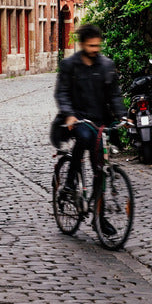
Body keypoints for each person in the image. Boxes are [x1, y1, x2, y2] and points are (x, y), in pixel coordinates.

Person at [54, 24, 125, 204]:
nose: (95, 50)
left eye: (97, 46)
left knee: (100, 167)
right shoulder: (70, 65)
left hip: (100, 120)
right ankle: (70, 183)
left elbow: (114, 94)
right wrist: (69, 114)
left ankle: (99, 219)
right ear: (82, 44)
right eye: (91, 46)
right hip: (78, 119)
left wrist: (122, 115)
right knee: (84, 137)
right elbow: (62, 92)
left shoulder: (106, 65)